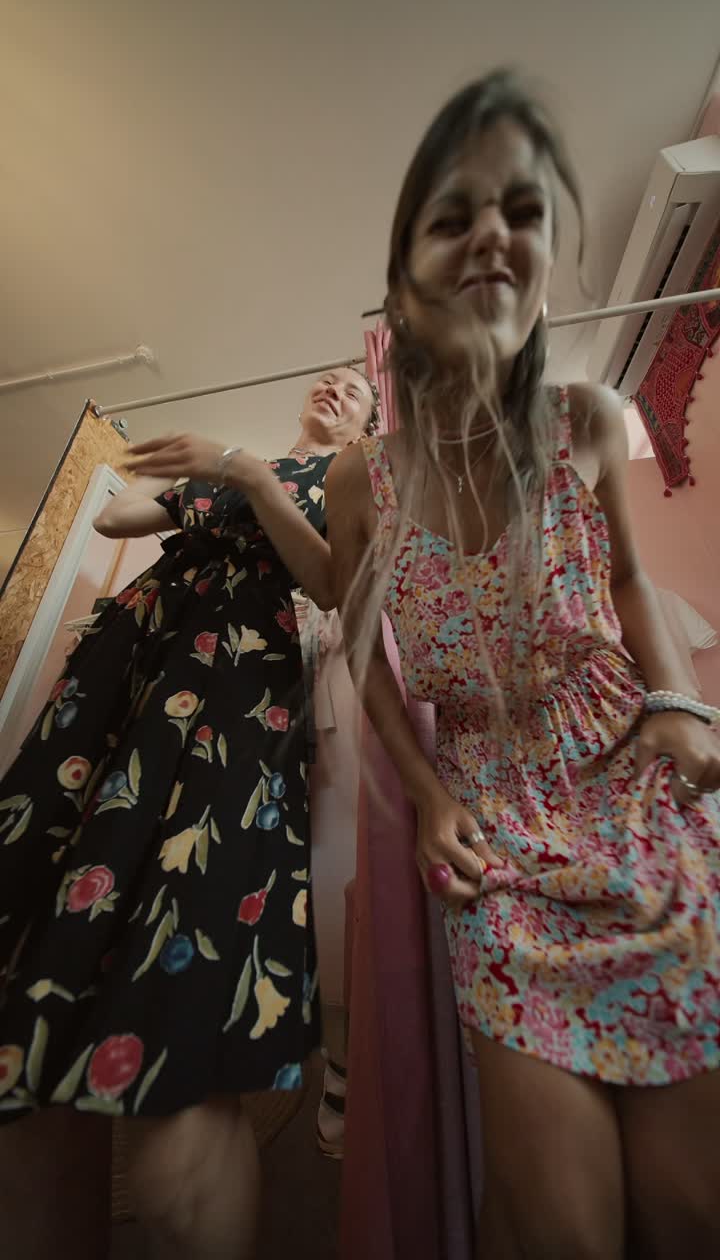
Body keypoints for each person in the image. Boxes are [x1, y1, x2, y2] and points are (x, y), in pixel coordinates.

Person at [326, 71, 720, 1259]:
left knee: (692, 1210)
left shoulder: (593, 417)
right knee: (565, 1230)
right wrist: (432, 790)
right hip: (497, 823)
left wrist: (684, 705)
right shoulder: (361, 480)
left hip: (638, 794)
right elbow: (359, 640)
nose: (494, 232)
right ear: (405, 278)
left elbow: (634, 586)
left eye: (523, 211)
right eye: (453, 216)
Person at [0, 364, 376, 1260]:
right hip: (120, 689)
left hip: (231, 697)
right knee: (29, 1085)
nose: (334, 387)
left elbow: (332, 586)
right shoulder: (229, 472)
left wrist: (246, 472)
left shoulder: (355, 478)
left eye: (355, 386)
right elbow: (111, 517)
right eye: (326, 380)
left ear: (371, 417)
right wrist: (202, 472)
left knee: (186, 954)